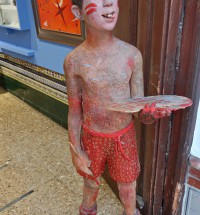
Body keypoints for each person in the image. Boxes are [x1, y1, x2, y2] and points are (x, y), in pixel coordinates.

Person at [64, 0, 170, 214]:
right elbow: (75, 111)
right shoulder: (74, 61)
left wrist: (150, 114)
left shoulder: (131, 55)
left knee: (128, 186)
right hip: (92, 137)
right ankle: (87, 209)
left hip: (124, 137)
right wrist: (75, 151)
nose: (109, 4)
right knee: (91, 183)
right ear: (78, 12)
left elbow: (138, 108)